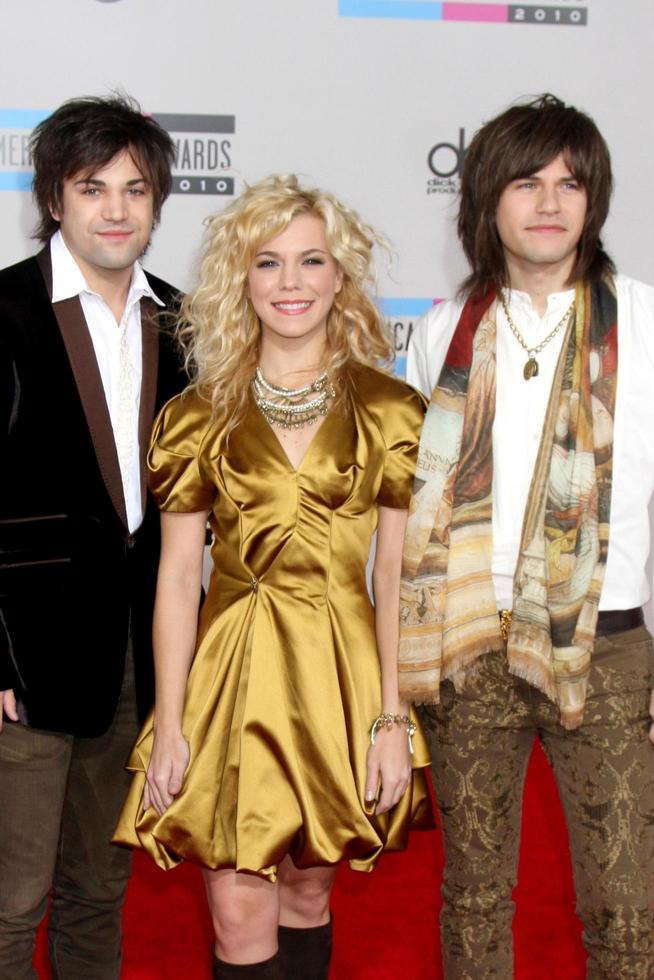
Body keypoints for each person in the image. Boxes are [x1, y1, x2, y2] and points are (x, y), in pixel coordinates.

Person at [114, 174, 433, 979]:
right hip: (232, 671)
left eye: (311, 261)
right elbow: (177, 577)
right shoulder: (196, 417)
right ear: (239, 279)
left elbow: (393, 575)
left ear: (340, 277)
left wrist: (392, 720)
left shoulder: (391, 410)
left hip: (342, 672)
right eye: (268, 263)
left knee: (306, 894)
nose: (290, 283)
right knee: (237, 907)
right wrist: (172, 722)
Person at [400, 94, 654, 978]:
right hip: (471, 647)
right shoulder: (442, 334)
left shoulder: (648, 325)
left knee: (628, 911)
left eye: (571, 182)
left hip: (610, 649)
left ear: (596, 199)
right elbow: (414, 520)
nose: (550, 202)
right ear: (485, 201)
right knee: (472, 902)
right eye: (526, 181)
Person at [0, 94, 185, 979]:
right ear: (53, 200)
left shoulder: (184, 324)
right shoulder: (3, 312)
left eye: (135, 188)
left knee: (96, 894)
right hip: (21, 669)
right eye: (91, 187)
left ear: (156, 203)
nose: (116, 208)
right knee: (8, 903)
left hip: (137, 667)